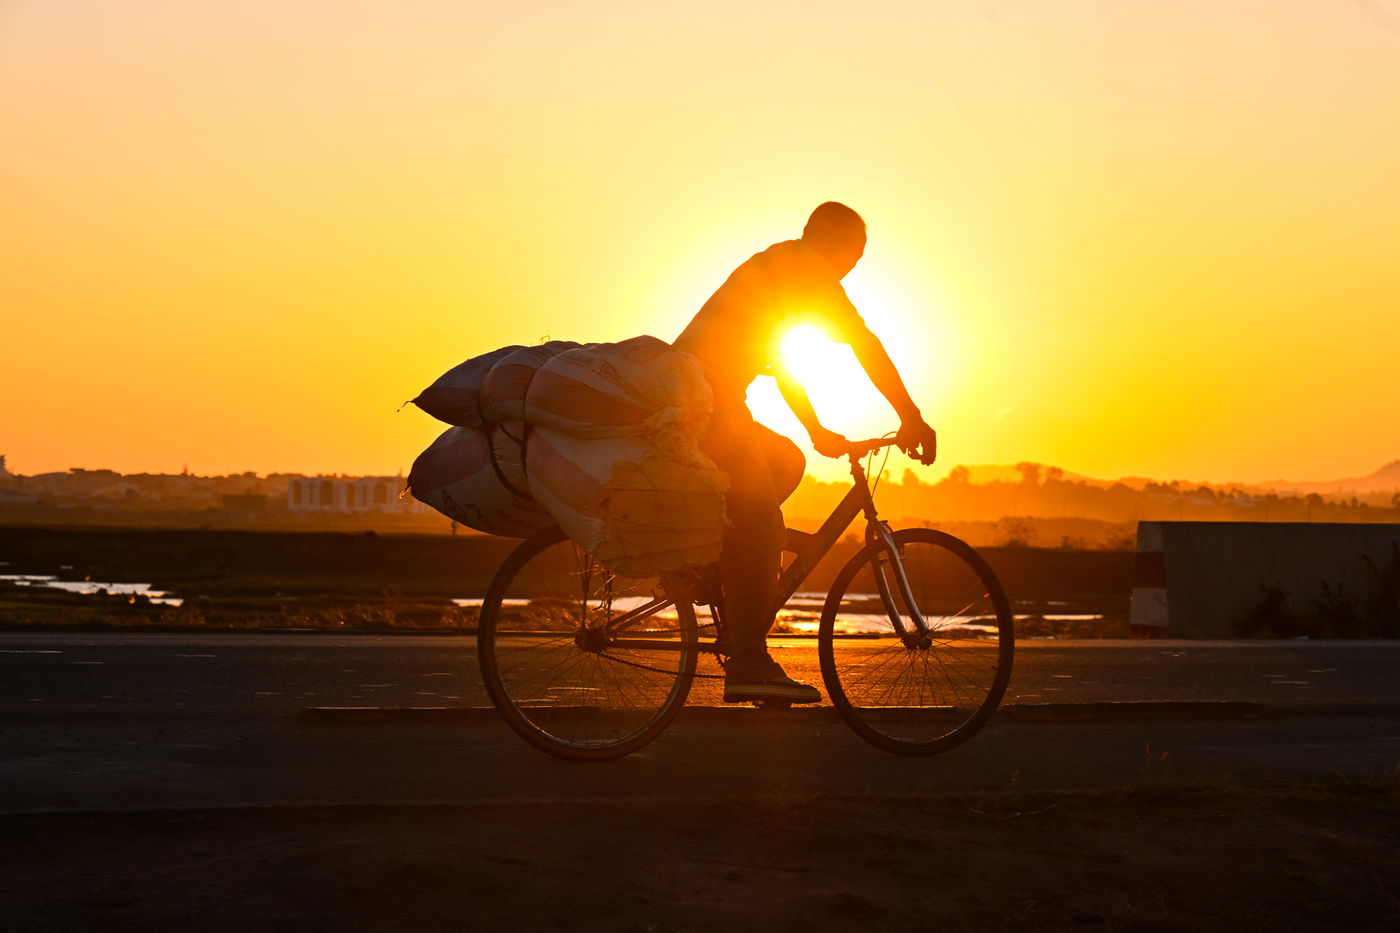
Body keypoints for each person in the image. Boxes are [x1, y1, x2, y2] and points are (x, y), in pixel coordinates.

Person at [672, 202, 937, 703]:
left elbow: (780, 358)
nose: (853, 267)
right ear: (835, 244)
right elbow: (864, 343)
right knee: (762, 524)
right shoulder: (805, 270)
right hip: (705, 401)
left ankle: (723, 562)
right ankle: (748, 662)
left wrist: (815, 430)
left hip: (709, 398)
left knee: (786, 462)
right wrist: (911, 415)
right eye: (854, 255)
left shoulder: (781, 268)